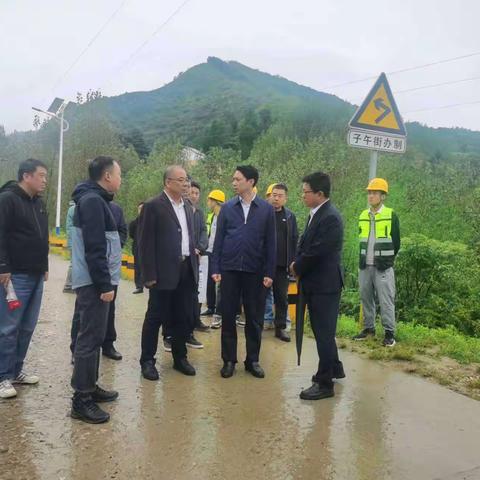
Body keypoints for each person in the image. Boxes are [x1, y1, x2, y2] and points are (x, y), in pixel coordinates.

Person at [70, 156, 122, 423]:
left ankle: (90, 385)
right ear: (107, 176)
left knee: (95, 336)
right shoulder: (92, 201)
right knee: (89, 339)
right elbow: (95, 246)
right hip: (93, 283)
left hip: (97, 281)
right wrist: (104, 284)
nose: (120, 179)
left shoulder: (96, 199)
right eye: (118, 174)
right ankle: (81, 399)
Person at [212, 165, 276, 379]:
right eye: (233, 179)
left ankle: (253, 360)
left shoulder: (266, 209)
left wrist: (269, 272)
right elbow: (219, 240)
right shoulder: (228, 208)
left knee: (255, 317)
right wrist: (216, 267)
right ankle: (229, 360)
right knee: (229, 315)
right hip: (230, 270)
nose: (234, 182)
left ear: (251, 182)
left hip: (255, 272)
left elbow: (270, 243)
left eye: (238, 179)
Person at [138, 165, 198, 381]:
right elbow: (145, 244)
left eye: (186, 180)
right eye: (180, 180)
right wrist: (149, 275)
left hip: (185, 270)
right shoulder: (154, 206)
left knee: (182, 316)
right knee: (155, 317)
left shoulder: (187, 206)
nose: (185, 184)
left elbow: (189, 238)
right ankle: (147, 361)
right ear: (168, 182)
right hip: (162, 272)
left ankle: (180, 358)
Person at [291, 172, 344, 401]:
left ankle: (325, 383)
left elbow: (317, 251)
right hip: (315, 282)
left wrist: (297, 266)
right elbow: (305, 244)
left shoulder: (330, 217)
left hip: (325, 285)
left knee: (323, 333)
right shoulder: (316, 214)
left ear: (320, 194)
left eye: (306, 192)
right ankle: (335, 368)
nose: (303, 196)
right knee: (323, 331)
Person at [0, 159, 49, 399]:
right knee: (9, 327)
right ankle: (2, 376)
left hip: (36, 273)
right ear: (26, 176)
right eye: (41, 175)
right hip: (15, 275)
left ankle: (16, 371)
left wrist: (45, 265)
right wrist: (3, 267)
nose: (44, 181)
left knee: (27, 326)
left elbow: (44, 237)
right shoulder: (7, 199)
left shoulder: (38, 203)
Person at [352, 178, 400, 347]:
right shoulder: (363, 215)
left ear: (383, 196)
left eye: (374, 193)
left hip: (383, 267)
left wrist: (387, 260)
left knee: (386, 300)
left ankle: (389, 333)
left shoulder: (390, 215)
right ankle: (369, 329)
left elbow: (396, 242)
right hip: (365, 265)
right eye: (369, 193)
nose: (371, 196)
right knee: (366, 298)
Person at [269, 183, 298, 342]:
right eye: (274, 195)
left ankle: (280, 328)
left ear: (285, 198)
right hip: (265, 265)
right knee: (259, 297)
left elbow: (294, 239)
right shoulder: (264, 214)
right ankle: (256, 325)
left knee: (281, 298)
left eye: (280, 195)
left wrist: (293, 262)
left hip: (282, 266)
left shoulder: (290, 216)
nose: (276, 198)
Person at [201, 190, 225, 318]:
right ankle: (211, 307)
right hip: (209, 251)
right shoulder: (211, 216)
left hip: (221, 253)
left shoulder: (225, 216)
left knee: (222, 283)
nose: (208, 202)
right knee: (209, 281)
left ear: (216, 201)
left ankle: (221, 310)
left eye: (210, 200)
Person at [129, 202, 144, 294]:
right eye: (140, 209)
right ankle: (139, 286)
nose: (141, 211)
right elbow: (131, 235)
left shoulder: (151, 221)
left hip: (149, 249)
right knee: (138, 267)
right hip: (138, 247)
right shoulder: (134, 223)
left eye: (143, 209)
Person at [63, 200, 76, 293]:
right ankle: (69, 285)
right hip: (75, 241)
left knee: (74, 263)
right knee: (74, 263)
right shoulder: (75, 209)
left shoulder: (71, 209)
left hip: (72, 240)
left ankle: (70, 285)